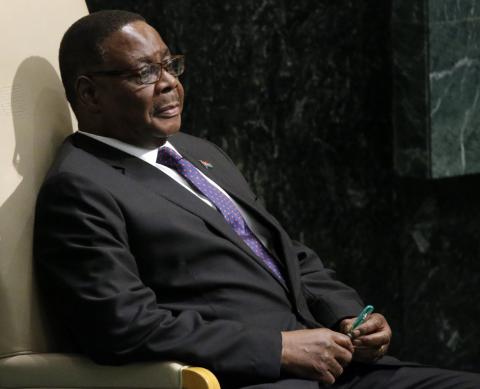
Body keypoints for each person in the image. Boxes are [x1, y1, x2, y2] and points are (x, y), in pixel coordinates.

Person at [34, 10, 480, 389]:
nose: (169, 83)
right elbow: (123, 327)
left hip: (338, 362)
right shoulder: (80, 187)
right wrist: (279, 349)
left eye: (170, 65)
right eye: (145, 73)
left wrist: (348, 315)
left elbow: (285, 252)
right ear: (90, 93)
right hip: (258, 377)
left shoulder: (198, 152)